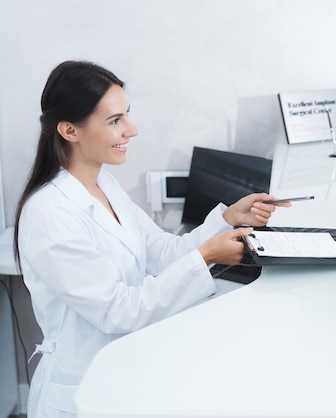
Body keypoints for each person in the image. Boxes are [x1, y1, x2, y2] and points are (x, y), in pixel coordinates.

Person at [13, 60, 288, 418]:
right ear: (69, 130)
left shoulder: (104, 185)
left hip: (126, 373)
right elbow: (118, 310)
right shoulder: (51, 212)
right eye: (115, 121)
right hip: (81, 388)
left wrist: (226, 219)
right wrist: (205, 256)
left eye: (127, 115)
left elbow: (159, 251)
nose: (132, 130)